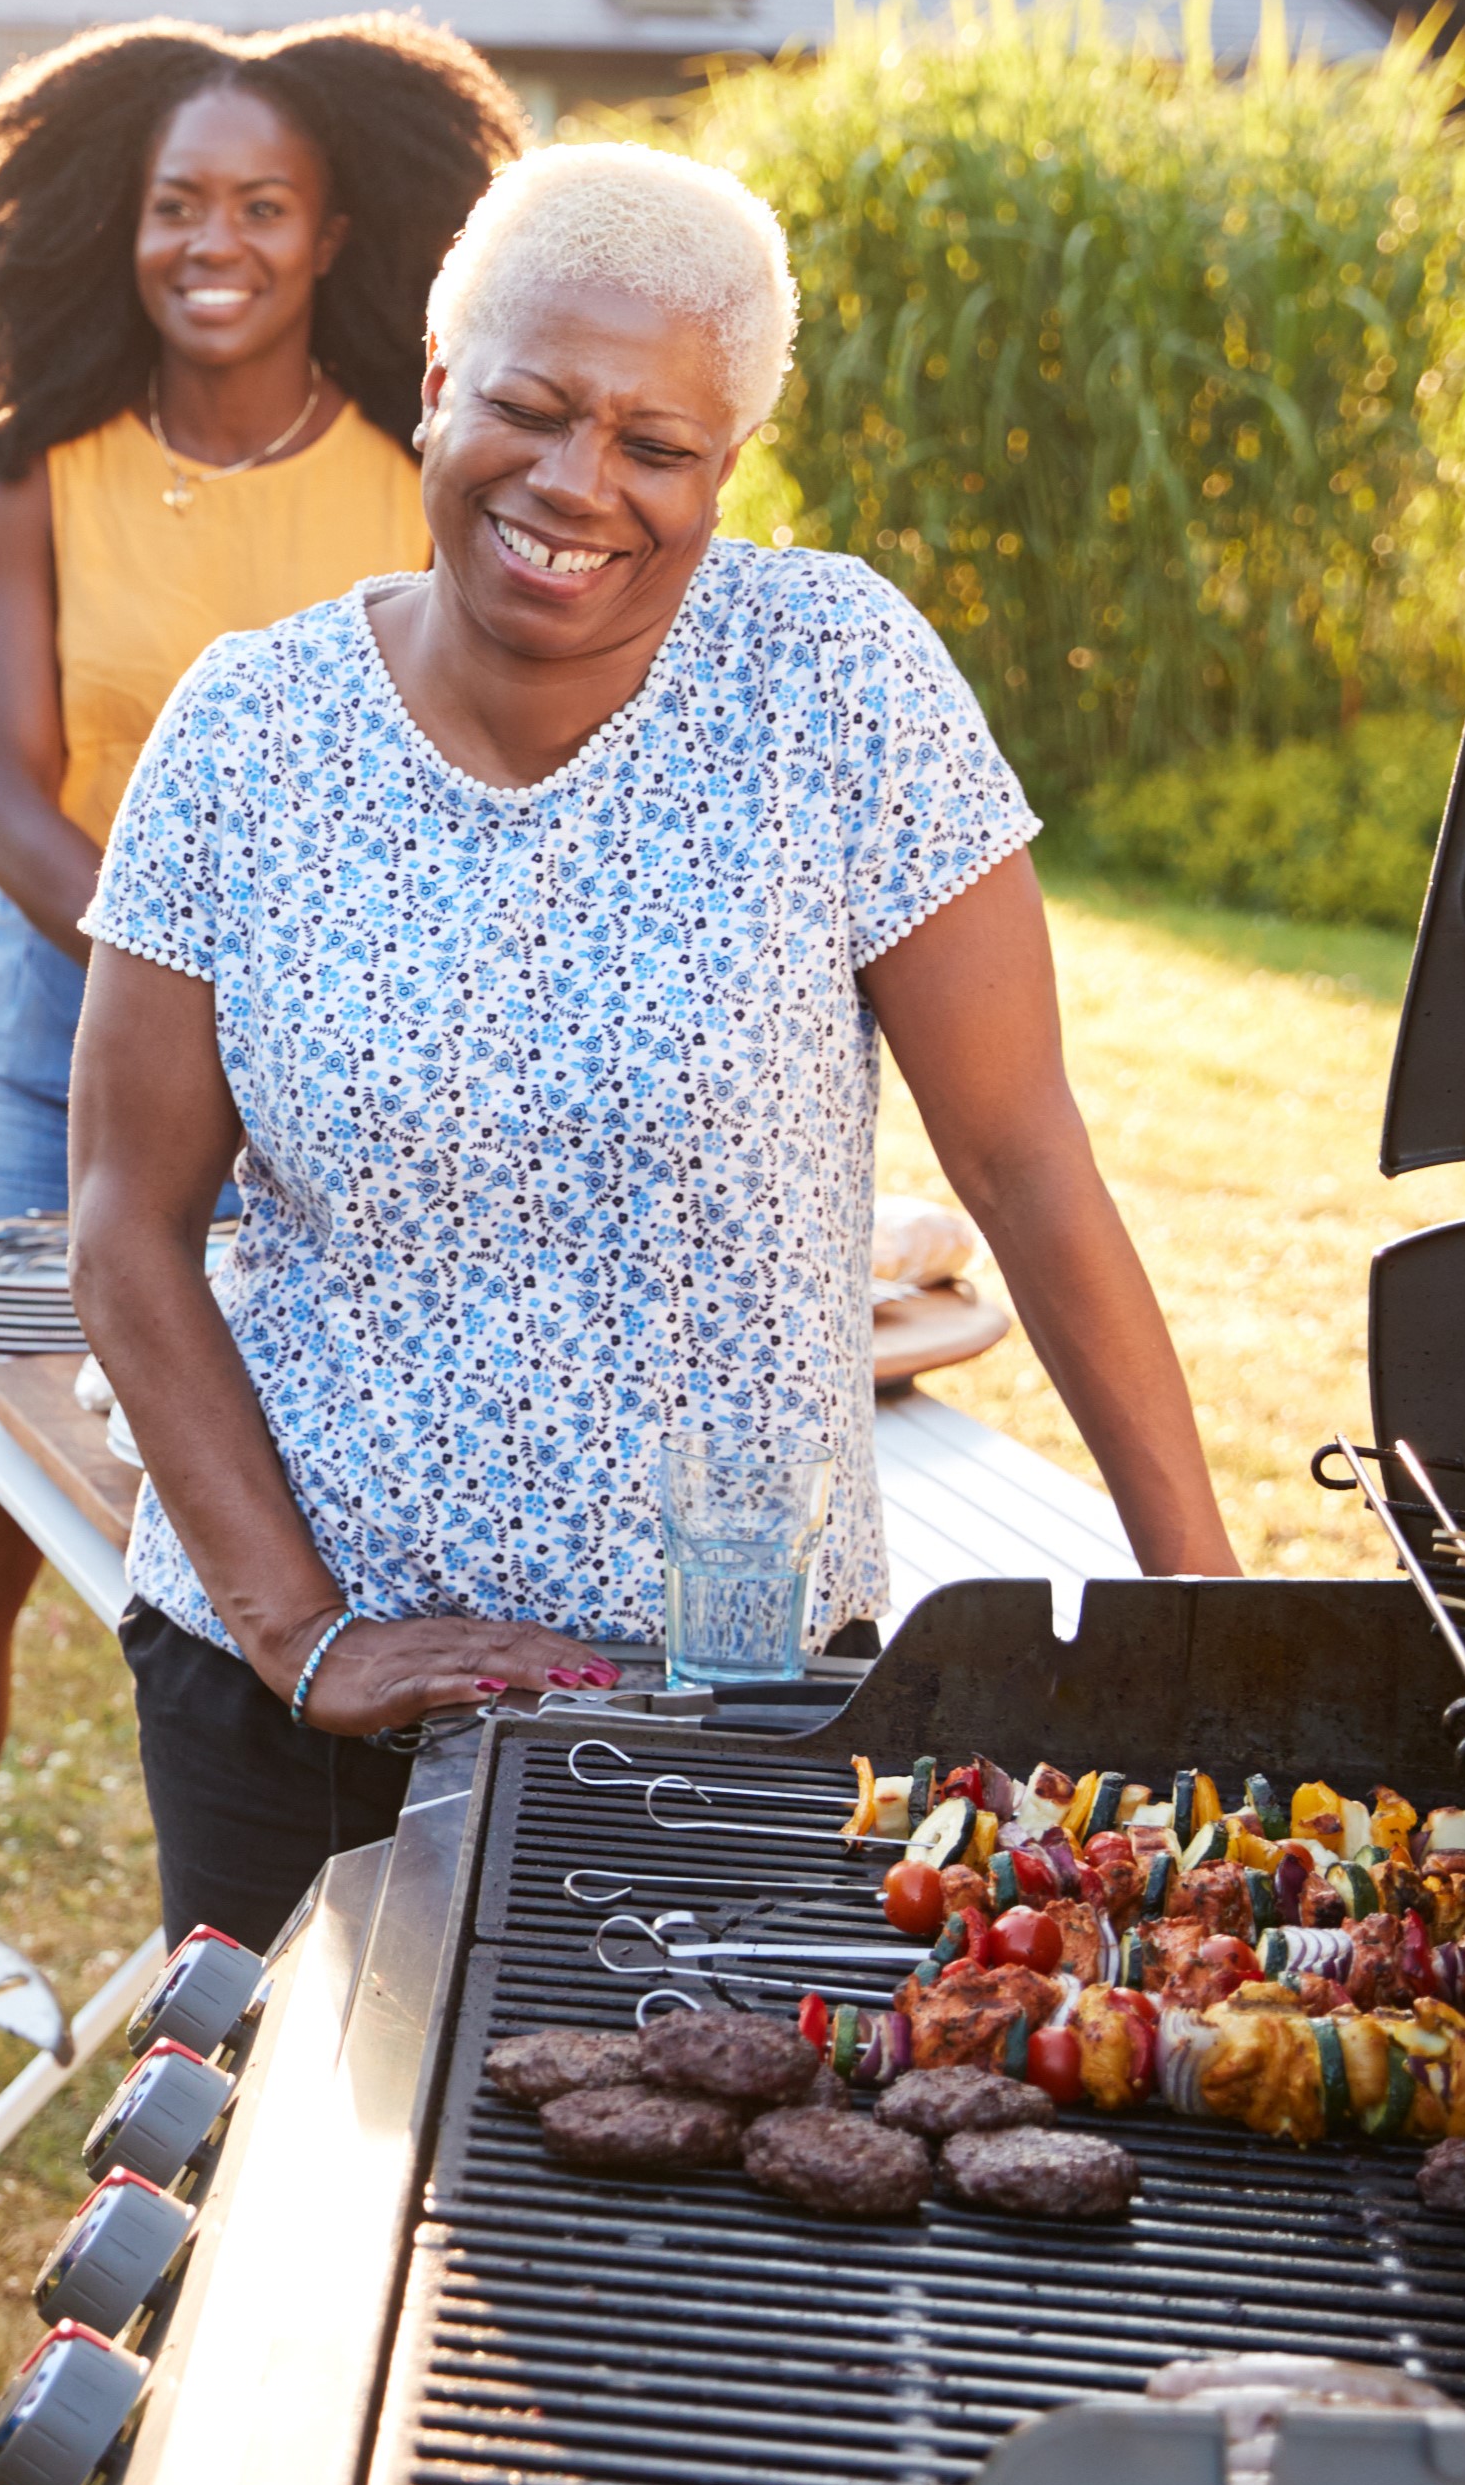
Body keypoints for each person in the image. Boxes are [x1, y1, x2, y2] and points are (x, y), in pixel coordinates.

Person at [68, 144, 1242, 1954]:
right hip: (295, 1713)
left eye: (655, 444)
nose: (578, 484)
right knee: (281, 2135)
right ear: (439, 383)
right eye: (530, 410)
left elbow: (1024, 1166)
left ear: (725, 465)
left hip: (740, 1694)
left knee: (713, 2118)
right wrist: (304, 1633)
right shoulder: (248, 731)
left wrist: (1208, 1629)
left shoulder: (835, 680)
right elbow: (124, 1222)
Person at [0, 18, 528, 2183]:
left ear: (338, 231)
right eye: (178, 202)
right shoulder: (32, 461)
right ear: (120, 219)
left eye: (261, 205)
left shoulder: (421, 457)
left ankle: (327, 2033)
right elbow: (8, 790)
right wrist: (197, 994)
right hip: (47, 1028)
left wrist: (323, 1028)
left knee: (300, 1555)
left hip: (362, 1056)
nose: (214, 241)